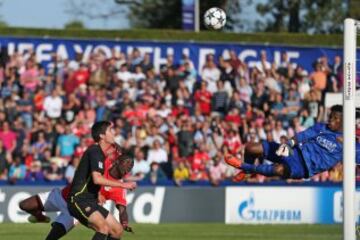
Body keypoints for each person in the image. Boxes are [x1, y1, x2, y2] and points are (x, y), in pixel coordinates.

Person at [18, 153, 135, 240]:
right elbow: (91, 177)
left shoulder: (119, 186)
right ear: (117, 161)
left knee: (50, 239)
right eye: (127, 163)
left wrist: (124, 223)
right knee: (24, 205)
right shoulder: (102, 164)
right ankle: (40, 217)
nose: (129, 167)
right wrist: (98, 193)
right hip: (61, 196)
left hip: (75, 208)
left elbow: (122, 209)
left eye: (131, 166)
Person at [225, 105, 360, 180]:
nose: (330, 120)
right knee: (250, 148)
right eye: (330, 117)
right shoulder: (321, 127)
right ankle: (246, 168)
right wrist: (288, 144)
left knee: (278, 169)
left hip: (304, 168)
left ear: (343, 121)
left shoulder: (350, 143)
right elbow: (303, 135)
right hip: (294, 152)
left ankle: (245, 168)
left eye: (335, 118)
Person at [67, 121, 136, 240]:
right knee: (103, 228)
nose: (113, 132)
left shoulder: (101, 154)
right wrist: (123, 185)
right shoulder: (94, 151)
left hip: (90, 200)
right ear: (102, 136)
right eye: (110, 130)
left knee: (117, 230)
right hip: (78, 199)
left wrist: (98, 193)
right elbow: (97, 179)